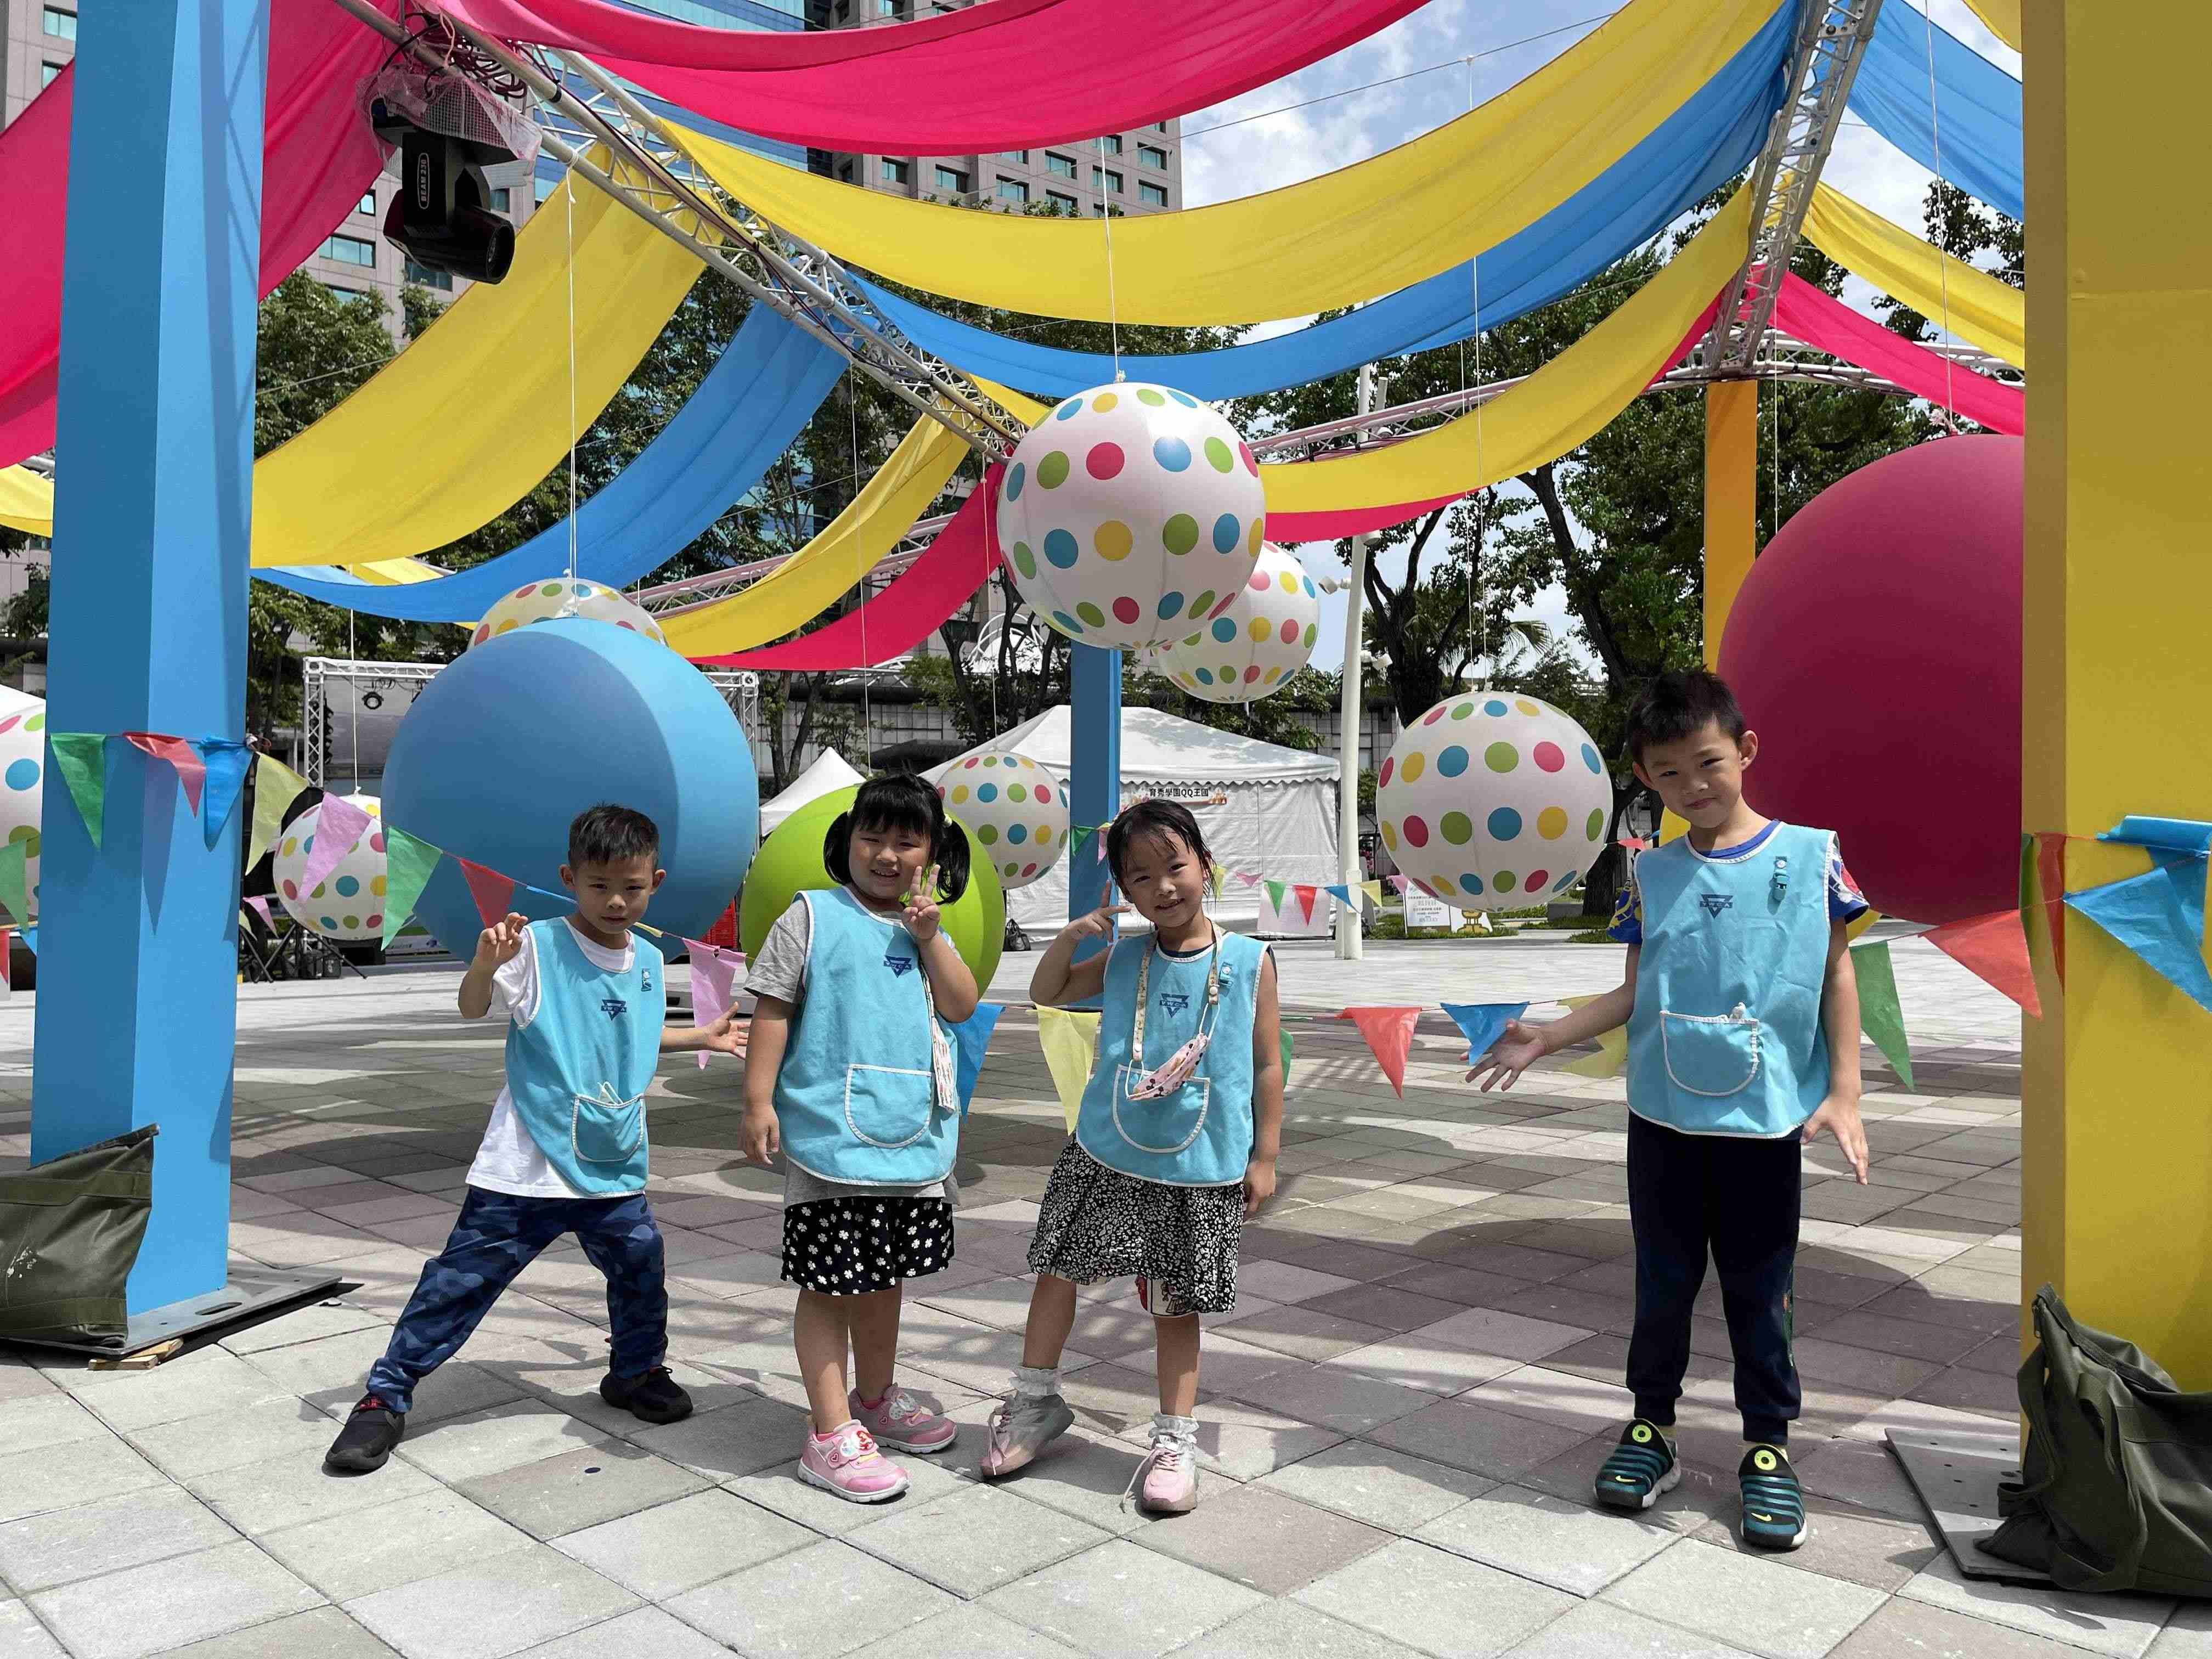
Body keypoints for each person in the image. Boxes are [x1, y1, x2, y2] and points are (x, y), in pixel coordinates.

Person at [1470, 669, 1869, 1551]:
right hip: (1662, 1121)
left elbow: (1839, 971)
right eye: (1670, 772)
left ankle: (1768, 1447)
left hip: (1764, 1125)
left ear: (1746, 751)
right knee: (1663, 1286)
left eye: (1708, 763)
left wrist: (1844, 1090)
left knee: (1762, 1294)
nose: (1694, 786)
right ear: (1647, 779)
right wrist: (1551, 1035)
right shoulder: (1650, 874)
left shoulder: (1812, 857)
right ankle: (1652, 1429)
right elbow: (1636, 992)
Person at [324, 804, 747, 1474]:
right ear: (568, 878)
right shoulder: (536, 946)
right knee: (458, 1283)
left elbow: (629, 1035)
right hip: (524, 1167)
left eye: (632, 888)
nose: (616, 901)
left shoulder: (644, 957)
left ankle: (635, 1373)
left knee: (641, 1270)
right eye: (599, 885)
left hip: (612, 1159)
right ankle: (384, 1397)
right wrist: (486, 966)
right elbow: (472, 1009)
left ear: (656, 881)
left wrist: (700, 1035)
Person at [981, 798, 1284, 1514]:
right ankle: (1035, 1403)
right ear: (1126, 892)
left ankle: (1175, 1439)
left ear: (1205, 865)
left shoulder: (1248, 963)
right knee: (1058, 1272)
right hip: (1108, 1149)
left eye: (1175, 866)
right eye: (1140, 878)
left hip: (1199, 1159)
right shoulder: (1123, 958)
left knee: (1175, 1305)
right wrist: (1068, 937)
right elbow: (1046, 991)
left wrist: (1265, 1155)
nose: (1163, 887)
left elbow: (1268, 1065)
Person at [740, 775, 981, 1503]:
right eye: (873, 837)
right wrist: (757, 1100)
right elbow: (773, 1010)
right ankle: (829, 1433)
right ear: (847, 842)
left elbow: (962, 1006)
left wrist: (931, 937)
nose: (887, 853)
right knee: (828, 1287)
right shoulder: (811, 916)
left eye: (907, 840)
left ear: (933, 855)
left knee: (885, 1280)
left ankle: (875, 1400)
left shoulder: (927, 926)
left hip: (910, 1136)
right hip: (832, 1138)